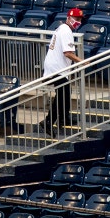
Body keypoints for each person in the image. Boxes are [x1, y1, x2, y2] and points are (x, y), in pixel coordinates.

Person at [39, 8, 85, 137]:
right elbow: (68, 53)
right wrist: (82, 61)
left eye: (80, 19)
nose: (78, 22)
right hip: (56, 69)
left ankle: (63, 118)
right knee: (63, 93)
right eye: (76, 19)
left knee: (64, 92)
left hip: (56, 67)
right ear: (69, 18)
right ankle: (49, 121)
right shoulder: (66, 31)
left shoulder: (62, 28)